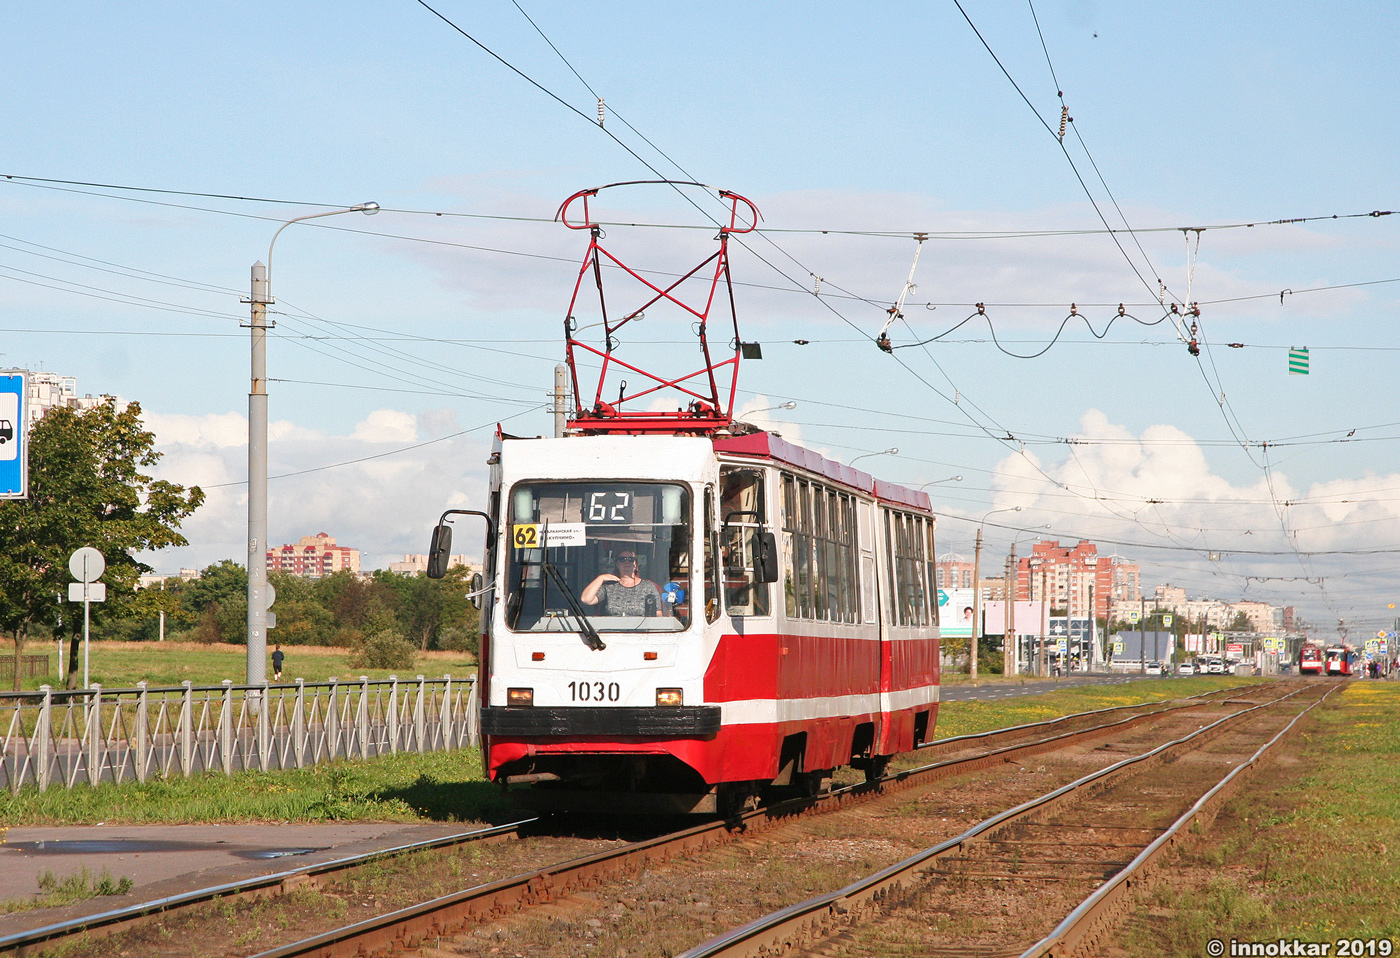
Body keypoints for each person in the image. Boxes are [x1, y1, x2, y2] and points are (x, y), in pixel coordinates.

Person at [581, 551, 663, 616]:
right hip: (611, 633)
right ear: (617, 564)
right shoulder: (609, 586)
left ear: (636, 565)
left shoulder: (648, 586)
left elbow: (658, 614)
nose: (627, 562)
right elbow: (586, 599)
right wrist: (601, 578)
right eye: (622, 559)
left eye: (631, 559)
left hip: (641, 634)